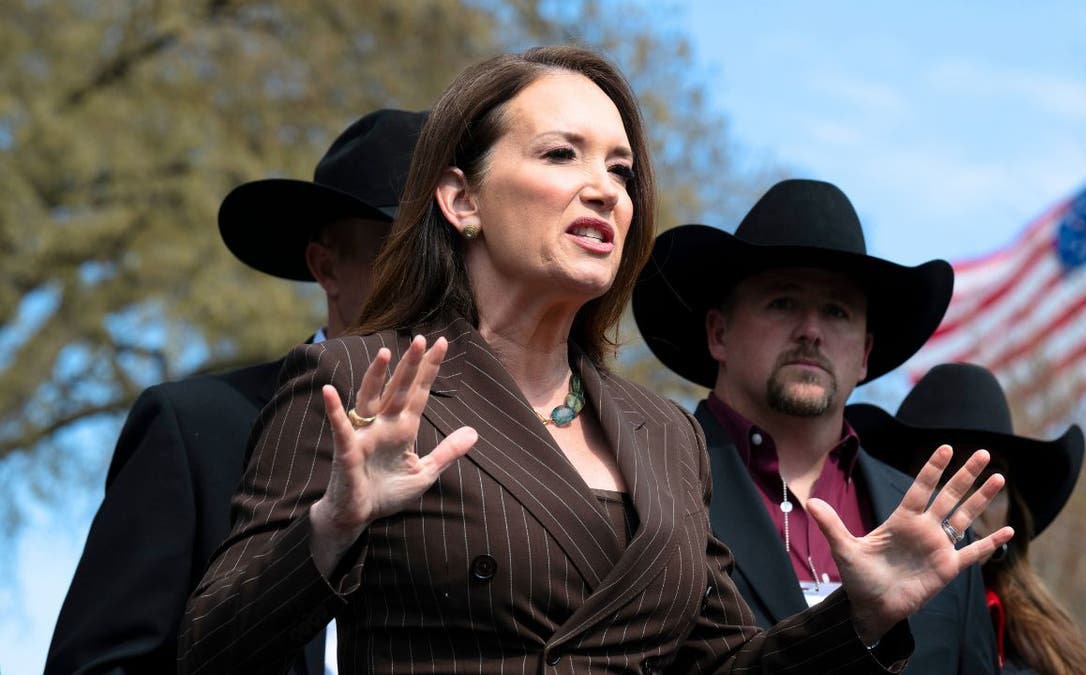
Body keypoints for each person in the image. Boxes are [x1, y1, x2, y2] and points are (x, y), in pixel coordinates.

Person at [179, 46, 1012, 674]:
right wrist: (332, 527)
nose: (607, 188)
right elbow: (211, 647)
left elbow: (726, 665)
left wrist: (858, 615)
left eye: (621, 169)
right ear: (462, 199)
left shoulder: (664, 434)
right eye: (560, 154)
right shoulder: (358, 380)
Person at [45, 108, 427, 675]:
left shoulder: (505, 443)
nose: (436, 277)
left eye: (457, 253)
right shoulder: (195, 428)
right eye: (405, 252)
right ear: (327, 268)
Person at [631, 178, 999, 673]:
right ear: (718, 333)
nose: (811, 331)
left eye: (836, 311)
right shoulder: (641, 484)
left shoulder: (942, 530)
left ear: (865, 354)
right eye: (782, 302)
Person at [846, 362, 1086, 675]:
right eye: (944, 477)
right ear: (893, 490)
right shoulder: (848, 617)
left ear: (1012, 512)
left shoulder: (1048, 649)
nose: (969, 504)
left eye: (990, 482)